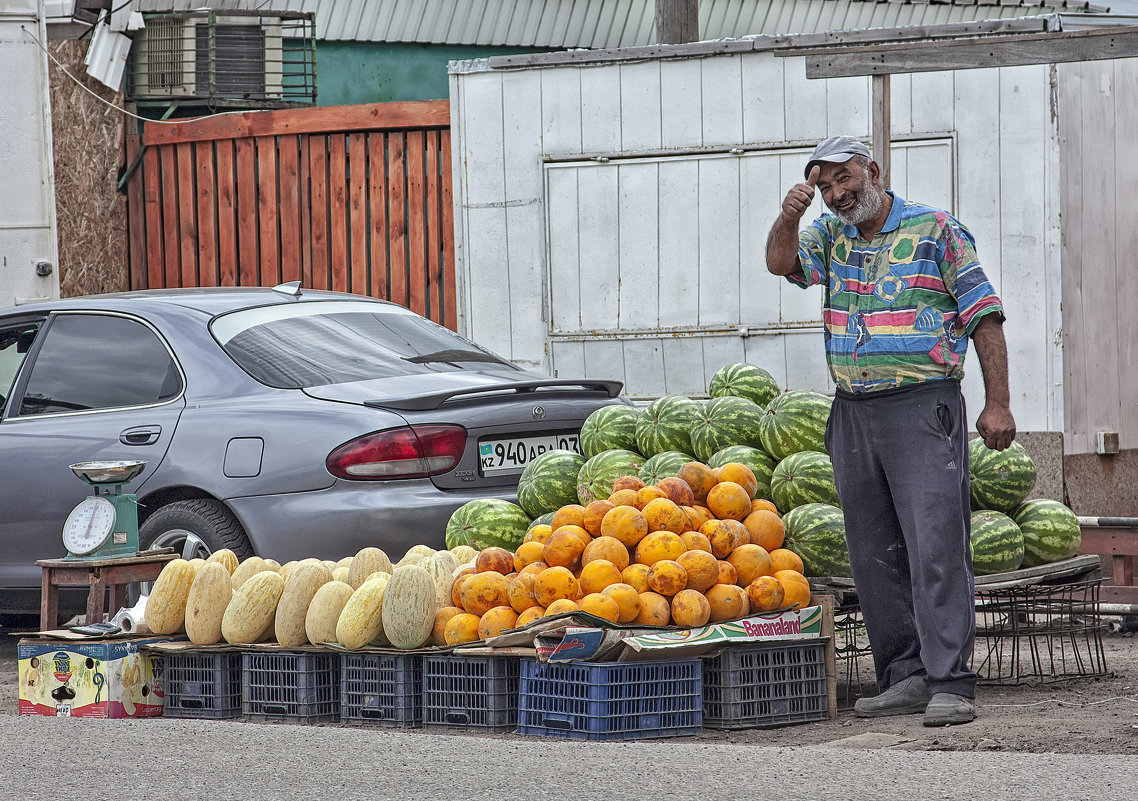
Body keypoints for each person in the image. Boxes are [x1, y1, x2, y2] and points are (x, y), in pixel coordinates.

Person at [764, 135, 1016, 727]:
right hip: (853, 410)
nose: (836, 194)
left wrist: (997, 402)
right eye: (824, 186)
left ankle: (951, 680)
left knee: (935, 545)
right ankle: (903, 674)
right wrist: (790, 214)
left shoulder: (936, 230)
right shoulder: (827, 235)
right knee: (872, 551)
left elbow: (984, 315)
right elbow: (780, 263)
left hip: (922, 406)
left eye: (843, 180)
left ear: (871, 170)